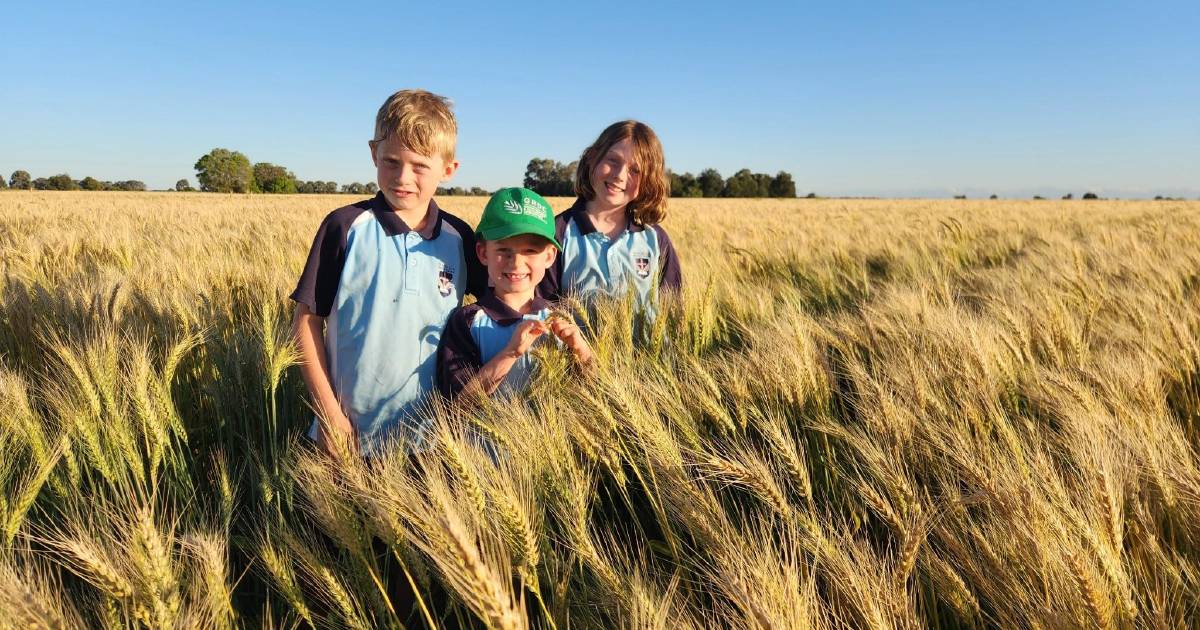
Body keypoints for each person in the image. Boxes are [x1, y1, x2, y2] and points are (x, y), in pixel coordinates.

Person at [290, 89, 485, 457]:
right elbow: (305, 322)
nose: (402, 177)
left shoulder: (459, 238)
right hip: (347, 434)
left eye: (420, 167)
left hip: (433, 439)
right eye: (391, 161)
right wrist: (329, 414)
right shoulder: (345, 227)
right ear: (373, 152)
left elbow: (500, 305)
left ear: (448, 170)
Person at [438, 188, 593, 400]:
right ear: (483, 253)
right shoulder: (467, 322)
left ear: (549, 256)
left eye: (530, 251)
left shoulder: (560, 317)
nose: (516, 263)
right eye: (503, 251)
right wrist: (511, 353)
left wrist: (582, 351)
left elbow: (593, 392)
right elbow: (459, 404)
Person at [537, 120, 682, 319]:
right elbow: (544, 312)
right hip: (575, 351)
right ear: (591, 157)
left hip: (649, 351)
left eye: (635, 170)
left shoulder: (655, 239)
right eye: (612, 160)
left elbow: (673, 311)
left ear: (648, 179)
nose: (620, 175)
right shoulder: (560, 233)